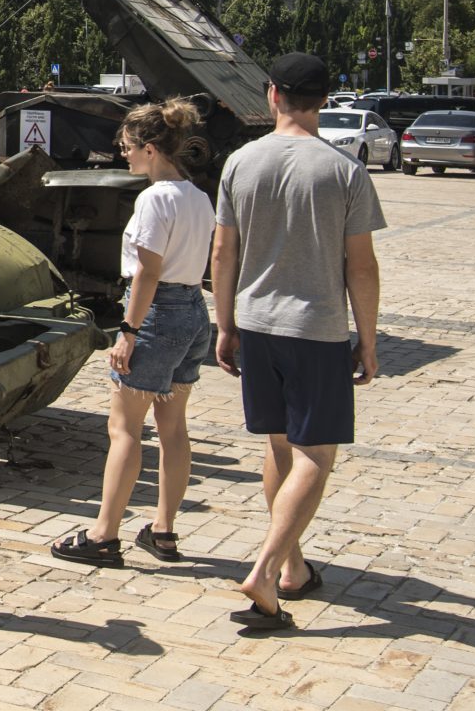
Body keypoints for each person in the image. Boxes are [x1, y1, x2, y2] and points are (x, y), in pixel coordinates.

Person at [213, 52, 384, 632]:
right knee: (317, 454)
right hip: (315, 328)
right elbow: (360, 266)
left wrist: (225, 322)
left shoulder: (239, 162)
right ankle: (265, 571)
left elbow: (222, 253)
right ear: (325, 100)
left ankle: (293, 569)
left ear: (272, 95)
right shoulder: (343, 171)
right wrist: (368, 338)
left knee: (278, 447)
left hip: (257, 323)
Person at [51, 98, 215, 569]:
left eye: (126, 147)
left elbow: (146, 271)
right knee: (173, 429)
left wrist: (128, 330)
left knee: (124, 429)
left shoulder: (154, 198)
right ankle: (163, 530)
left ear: (148, 148)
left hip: (157, 314)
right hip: (191, 312)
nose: (123, 154)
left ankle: (104, 534)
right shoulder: (198, 196)